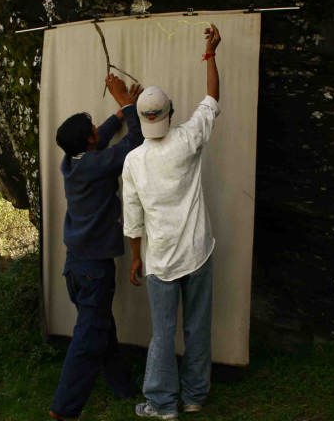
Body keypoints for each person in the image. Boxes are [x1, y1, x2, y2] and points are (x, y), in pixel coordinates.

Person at [122, 24, 222, 420]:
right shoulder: (187, 139)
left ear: (142, 119)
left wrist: (136, 257)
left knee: (163, 333)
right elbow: (212, 99)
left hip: (161, 261)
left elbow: (133, 219)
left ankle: (163, 405)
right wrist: (211, 54)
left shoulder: (133, 161)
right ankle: (194, 396)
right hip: (198, 252)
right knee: (197, 326)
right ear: (171, 114)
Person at [49, 73, 144, 421]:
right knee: (89, 337)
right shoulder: (95, 165)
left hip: (76, 268)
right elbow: (133, 144)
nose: (96, 132)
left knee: (101, 327)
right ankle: (64, 409)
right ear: (87, 142)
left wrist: (117, 116)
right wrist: (128, 105)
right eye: (91, 130)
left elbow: (101, 139)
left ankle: (122, 387)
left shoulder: (71, 162)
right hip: (93, 269)